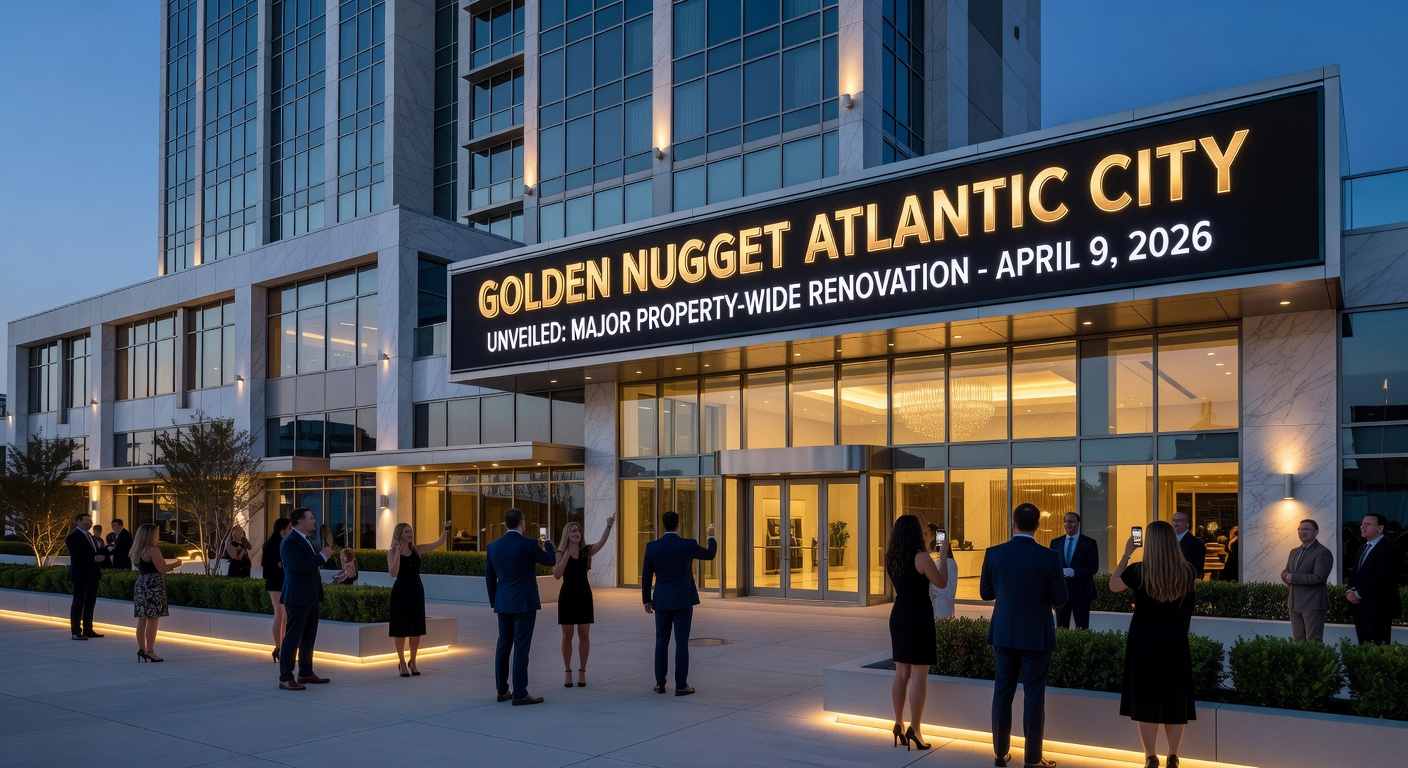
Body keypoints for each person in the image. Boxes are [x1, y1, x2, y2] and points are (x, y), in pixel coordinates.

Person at [979, 502, 1067, 768]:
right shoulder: (1049, 556)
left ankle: (1000, 753)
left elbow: (985, 593)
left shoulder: (994, 553)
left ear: (1012, 523)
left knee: (1002, 692)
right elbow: (1061, 599)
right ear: (1037, 526)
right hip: (1036, 635)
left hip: (1004, 632)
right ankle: (1031, 758)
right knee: (1034, 695)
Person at [1110, 520, 1197, 768]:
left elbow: (1113, 585)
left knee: (1146, 695)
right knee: (1174, 696)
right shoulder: (1187, 571)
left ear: (1149, 542)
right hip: (1174, 638)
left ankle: (1150, 756)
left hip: (1144, 638)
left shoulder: (1138, 570)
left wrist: (1127, 553)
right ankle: (1173, 756)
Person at [888, 515, 949, 751]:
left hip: (899, 612)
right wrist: (942, 557)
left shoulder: (891, 557)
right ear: (917, 532)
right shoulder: (922, 557)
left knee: (901, 671)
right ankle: (916, 728)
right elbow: (941, 582)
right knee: (919, 675)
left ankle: (897, 724)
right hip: (918, 615)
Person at [486, 507, 557, 705]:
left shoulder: (493, 546)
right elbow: (551, 560)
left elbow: (490, 579)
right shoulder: (528, 544)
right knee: (521, 648)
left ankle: (502, 691)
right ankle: (520, 692)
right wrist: (548, 542)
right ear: (522, 522)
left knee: (503, 646)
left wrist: (495, 602)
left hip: (503, 603)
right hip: (524, 603)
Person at [641, 511, 717, 697]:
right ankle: (681, 685)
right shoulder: (688, 545)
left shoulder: (653, 547)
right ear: (678, 525)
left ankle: (660, 684)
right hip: (682, 601)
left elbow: (646, 575)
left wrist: (646, 599)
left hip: (662, 601)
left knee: (661, 642)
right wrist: (711, 535)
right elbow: (710, 554)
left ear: (663, 525)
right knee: (681, 643)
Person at [553, 516, 615, 688]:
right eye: (573, 530)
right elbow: (557, 574)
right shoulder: (559, 552)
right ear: (567, 534)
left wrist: (608, 526)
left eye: (578, 530)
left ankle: (582, 672)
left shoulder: (586, 551)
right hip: (567, 595)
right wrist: (566, 552)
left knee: (584, 635)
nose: (576, 533)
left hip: (583, 594)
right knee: (567, 635)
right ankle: (567, 672)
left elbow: (602, 542)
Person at [277, 507, 333, 690]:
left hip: (310, 595)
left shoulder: (306, 540)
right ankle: (285, 677)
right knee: (292, 638)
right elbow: (300, 567)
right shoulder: (289, 542)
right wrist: (322, 556)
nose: (314, 521)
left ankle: (305, 672)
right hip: (297, 596)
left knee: (309, 637)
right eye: (311, 518)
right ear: (300, 521)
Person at [388, 520, 451, 677]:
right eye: (406, 532)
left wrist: (445, 530)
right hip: (401, 591)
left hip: (416, 590)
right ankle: (402, 662)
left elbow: (437, 544)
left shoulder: (417, 549)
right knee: (401, 629)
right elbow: (393, 572)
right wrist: (396, 553)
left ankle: (413, 661)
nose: (410, 534)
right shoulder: (391, 552)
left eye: (410, 531)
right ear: (399, 535)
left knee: (415, 629)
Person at [1346, 512, 1403, 644]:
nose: (1362, 527)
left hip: (1378, 607)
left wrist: (1359, 593)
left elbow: (1384, 577)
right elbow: (1356, 574)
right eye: (1362, 524)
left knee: (1378, 647)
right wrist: (1351, 590)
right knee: (1364, 645)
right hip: (1360, 608)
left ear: (1380, 528)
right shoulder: (1363, 548)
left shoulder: (1388, 548)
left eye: (1368, 524)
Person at [131, 523, 180, 662]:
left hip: (141, 583)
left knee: (142, 618)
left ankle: (142, 649)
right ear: (151, 535)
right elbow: (162, 569)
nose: (158, 535)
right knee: (153, 618)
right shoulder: (153, 550)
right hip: (153, 585)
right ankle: (151, 651)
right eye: (157, 533)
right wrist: (176, 564)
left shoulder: (137, 549)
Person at [1281, 519, 1334, 641]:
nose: (1302, 532)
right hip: (1294, 603)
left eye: (1306, 529)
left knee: (1313, 641)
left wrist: (1293, 577)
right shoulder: (1294, 551)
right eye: (1299, 529)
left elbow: (1319, 577)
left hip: (1313, 604)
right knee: (1298, 640)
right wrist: (1285, 576)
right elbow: (1286, 571)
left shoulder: (1323, 552)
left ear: (1316, 532)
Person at [1048, 512, 1099, 629]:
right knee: (1061, 627)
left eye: (1071, 521)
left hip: (1081, 592)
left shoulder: (1089, 543)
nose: (1067, 524)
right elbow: (1052, 566)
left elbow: (1093, 568)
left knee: (1082, 627)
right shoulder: (1055, 543)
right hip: (1062, 592)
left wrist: (1074, 571)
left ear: (1078, 523)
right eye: (1065, 521)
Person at [65, 512, 107, 640]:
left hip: (93, 574)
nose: (90, 522)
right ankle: (76, 631)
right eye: (87, 520)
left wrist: (104, 553)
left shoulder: (91, 536)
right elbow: (76, 555)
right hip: (81, 575)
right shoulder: (73, 537)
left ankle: (88, 629)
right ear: (78, 522)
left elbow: (96, 552)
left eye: (90, 520)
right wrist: (94, 558)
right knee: (78, 603)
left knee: (90, 603)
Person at [262, 517, 292, 663]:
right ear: (282, 530)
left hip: (277, 581)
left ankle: (280, 648)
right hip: (277, 582)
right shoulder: (277, 543)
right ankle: (279, 647)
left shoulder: (271, 543)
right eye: (289, 528)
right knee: (281, 614)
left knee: (282, 614)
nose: (290, 531)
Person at [1170, 512, 1205, 631]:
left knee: (1181, 630)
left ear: (1187, 524)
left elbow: (1196, 570)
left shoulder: (1196, 543)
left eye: (1180, 521)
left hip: (1184, 593)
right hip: (1165, 593)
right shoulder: (1167, 542)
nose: (1176, 523)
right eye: (1174, 520)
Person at [927, 523, 958, 620]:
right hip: (942, 606)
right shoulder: (948, 562)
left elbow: (941, 588)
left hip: (940, 607)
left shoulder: (946, 562)